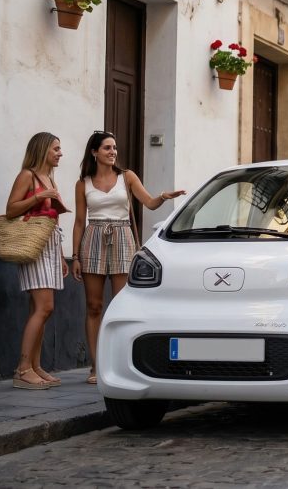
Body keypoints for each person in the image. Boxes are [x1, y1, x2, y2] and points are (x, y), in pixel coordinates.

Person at [72, 131, 186, 385]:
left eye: (114, 148)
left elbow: (149, 203)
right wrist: (75, 256)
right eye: (107, 148)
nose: (113, 152)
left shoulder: (128, 177)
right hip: (93, 237)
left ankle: (120, 361)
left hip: (123, 236)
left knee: (121, 303)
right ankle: (95, 365)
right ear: (94, 152)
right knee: (93, 306)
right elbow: (79, 222)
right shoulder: (83, 184)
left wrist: (163, 197)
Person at [4, 132, 70, 390]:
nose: (60, 153)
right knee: (45, 307)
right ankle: (22, 369)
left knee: (39, 309)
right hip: (33, 246)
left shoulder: (49, 178)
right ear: (43, 150)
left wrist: (62, 255)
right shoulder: (27, 176)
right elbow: (11, 209)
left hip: (50, 244)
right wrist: (37, 198)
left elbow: (54, 218)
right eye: (56, 148)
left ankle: (35, 365)